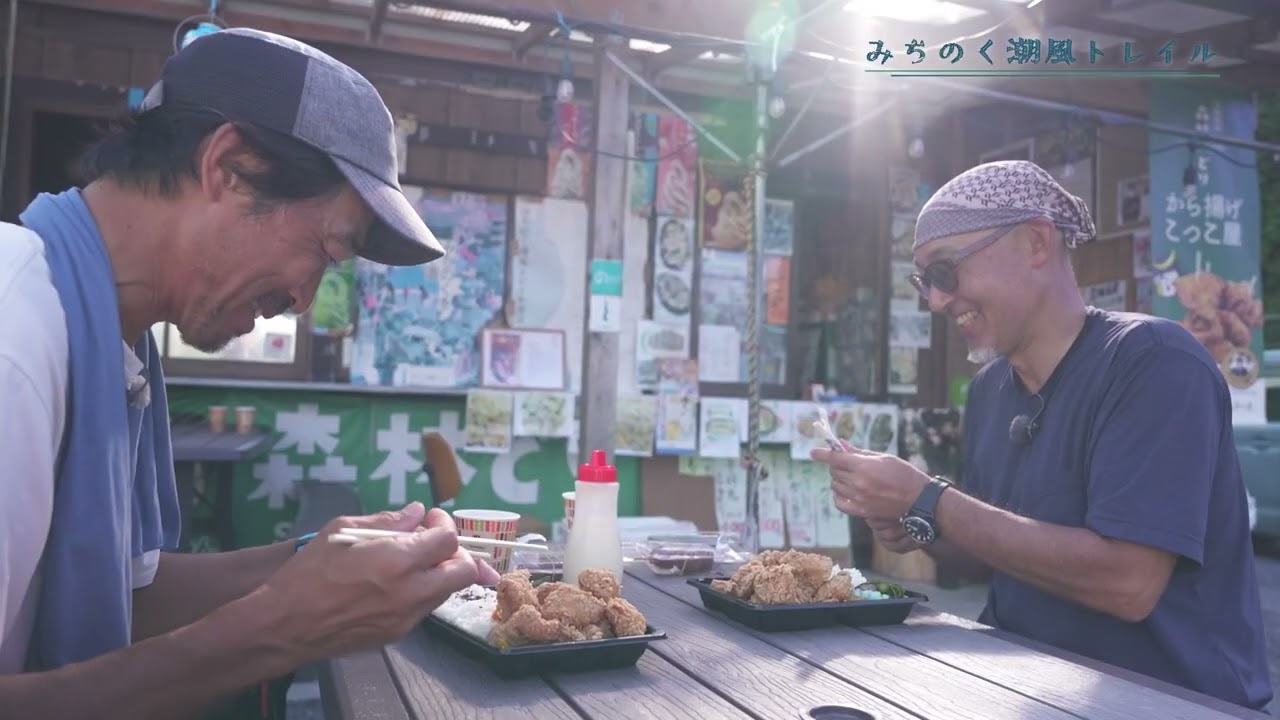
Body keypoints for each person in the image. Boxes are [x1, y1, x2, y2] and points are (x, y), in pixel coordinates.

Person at [0, 27, 498, 717]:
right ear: (228, 166)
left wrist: (315, 559)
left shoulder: (110, 335)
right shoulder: (14, 337)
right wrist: (280, 629)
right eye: (328, 247)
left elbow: (129, 594)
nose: (300, 301)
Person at [811, 160, 1272, 711]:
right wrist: (916, 523)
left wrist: (928, 498)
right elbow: (991, 560)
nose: (935, 301)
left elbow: (1128, 583)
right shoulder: (988, 391)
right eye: (924, 282)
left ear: (1034, 241)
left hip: (1165, 700)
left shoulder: (1154, 363)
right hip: (1023, 690)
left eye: (944, 272)